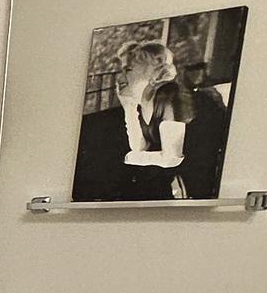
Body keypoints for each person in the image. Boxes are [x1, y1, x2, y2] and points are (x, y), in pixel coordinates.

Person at [71, 41, 194, 202]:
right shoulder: (144, 103)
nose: (120, 78)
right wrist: (128, 106)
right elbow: (140, 147)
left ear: (151, 70)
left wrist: (129, 157)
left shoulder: (169, 96)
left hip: (176, 191)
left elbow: (172, 158)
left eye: (128, 69)